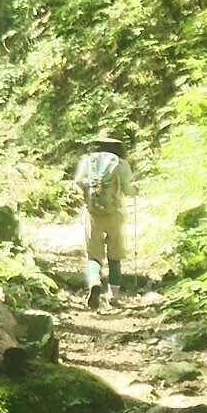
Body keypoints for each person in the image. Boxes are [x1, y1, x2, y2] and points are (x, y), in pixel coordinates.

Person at [73, 130, 136, 309]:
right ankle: (113, 296)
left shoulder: (88, 160)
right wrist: (135, 190)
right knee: (115, 256)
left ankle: (94, 281)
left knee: (94, 255)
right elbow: (128, 189)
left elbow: (78, 181)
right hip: (115, 214)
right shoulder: (121, 163)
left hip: (92, 214)